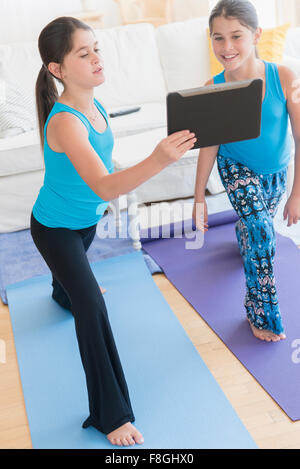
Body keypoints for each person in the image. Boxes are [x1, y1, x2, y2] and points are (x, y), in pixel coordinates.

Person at [31, 16, 196, 447]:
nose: (96, 59)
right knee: (92, 309)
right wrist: (159, 159)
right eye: (83, 54)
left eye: (97, 48)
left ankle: (62, 289)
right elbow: (103, 185)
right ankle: (111, 415)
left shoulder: (96, 107)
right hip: (55, 230)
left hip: (86, 225)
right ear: (58, 70)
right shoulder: (66, 121)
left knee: (72, 282)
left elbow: (107, 170)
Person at [193, 0, 300, 342]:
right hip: (235, 166)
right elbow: (209, 144)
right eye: (218, 38)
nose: (226, 47)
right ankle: (262, 314)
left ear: (256, 35)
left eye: (235, 36)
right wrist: (199, 198)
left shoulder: (285, 77)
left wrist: (297, 193)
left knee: (255, 228)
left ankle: (244, 235)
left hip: (275, 172)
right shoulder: (214, 86)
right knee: (261, 230)